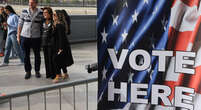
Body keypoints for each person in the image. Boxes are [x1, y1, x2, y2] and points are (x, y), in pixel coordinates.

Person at [17, 0, 43, 79]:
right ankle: (28, 71)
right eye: (29, 2)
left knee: (37, 55)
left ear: (36, 3)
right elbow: (20, 24)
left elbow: (44, 24)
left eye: (32, 2)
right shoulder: (24, 11)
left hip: (36, 37)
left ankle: (37, 71)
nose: (30, 4)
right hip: (24, 37)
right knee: (26, 56)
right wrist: (18, 36)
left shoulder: (41, 12)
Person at [52, 10, 74, 83]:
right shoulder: (58, 24)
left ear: (58, 16)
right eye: (53, 14)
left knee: (56, 60)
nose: (53, 16)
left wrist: (60, 49)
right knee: (62, 60)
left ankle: (58, 76)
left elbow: (62, 37)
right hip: (61, 45)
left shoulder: (59, 25)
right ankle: (65, 73)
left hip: (60, 46)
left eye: (55, 15)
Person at [42, 7, 56, 79]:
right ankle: (48, 74)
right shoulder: (43, 22)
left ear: (50, 13)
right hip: (44, 43)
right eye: (43, 13)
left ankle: (53, 74)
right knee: (46, 59)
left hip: (51, 44)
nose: (44, 14)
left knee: (51, 59)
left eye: (46, 12)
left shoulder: (53, 22)